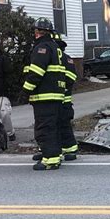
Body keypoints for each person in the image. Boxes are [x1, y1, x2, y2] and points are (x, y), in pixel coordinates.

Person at [22, 17, 66, 171]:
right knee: (53, 126)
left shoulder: (42, 47)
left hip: (45, 95)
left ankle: (50, 160)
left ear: (37, 32)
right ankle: (55, 154)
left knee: (45, 128)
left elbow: (36, 72)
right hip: (55, 94)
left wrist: (26, 90)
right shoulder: (54, 47)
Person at [32, 33, 78, 162]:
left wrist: (58, 86)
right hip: (55, 97)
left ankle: (69, 150)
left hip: (62, 99)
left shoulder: (66, 59)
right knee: (54, 125)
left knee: (61, 125)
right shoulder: (53, 57)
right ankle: (50, 150)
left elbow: (71, 78)